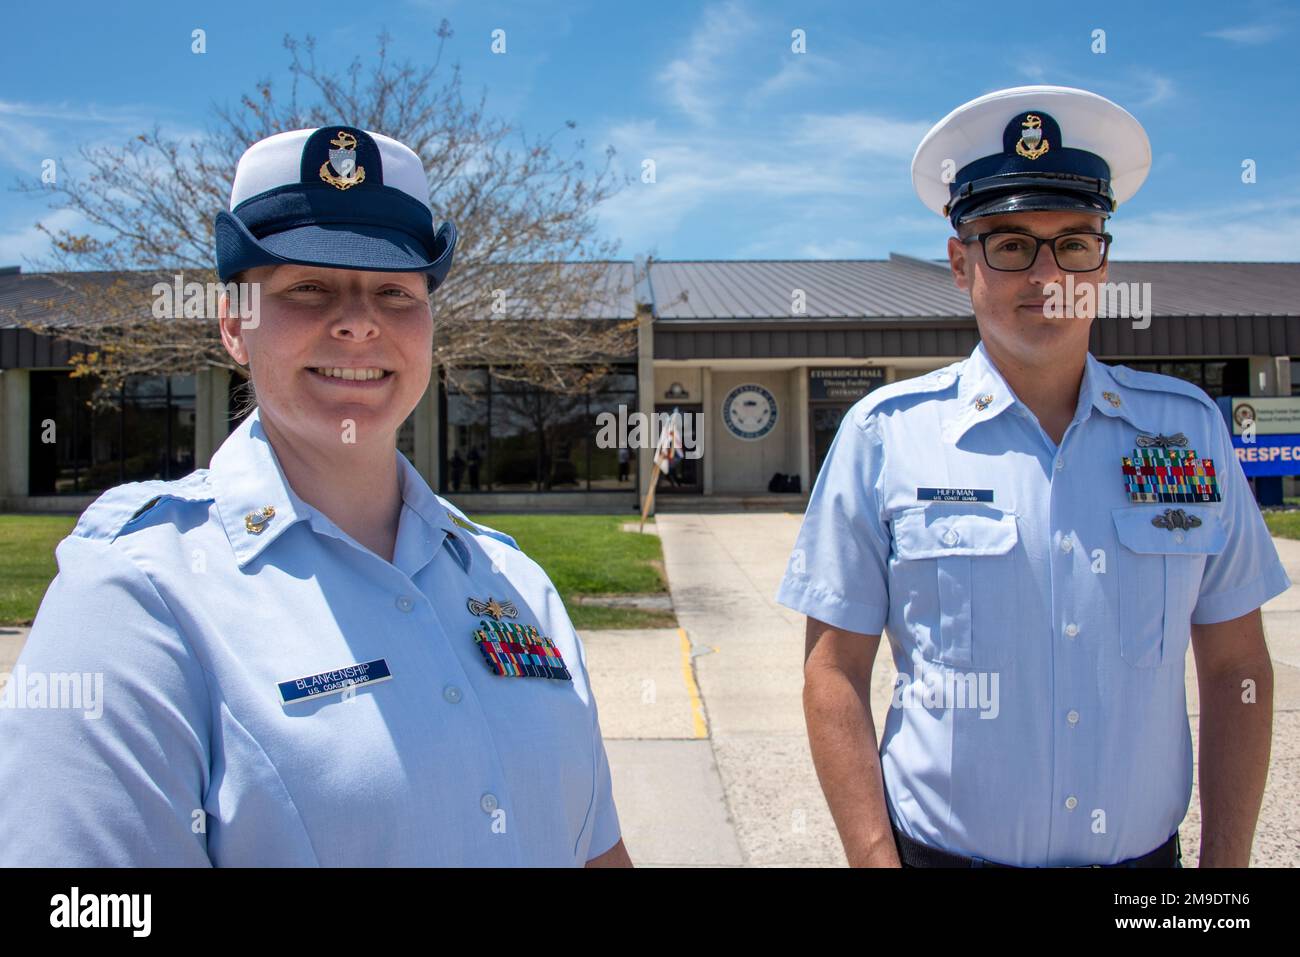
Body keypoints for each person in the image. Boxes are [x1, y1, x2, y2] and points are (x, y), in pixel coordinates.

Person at [0, 126, 629, 867]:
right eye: (309, 287)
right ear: (235, 323)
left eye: (395, 291)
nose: (359, 321)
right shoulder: (135, 600)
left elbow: (595, 852)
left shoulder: (517, 587)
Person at [778, 86, 1289, 868]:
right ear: (959, 262)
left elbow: (1238, 668)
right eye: (1010, 243)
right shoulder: (887, 438)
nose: (1047, 273)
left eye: (1074, 243)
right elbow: (834, 672)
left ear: (1103, 261)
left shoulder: (1186, 432)